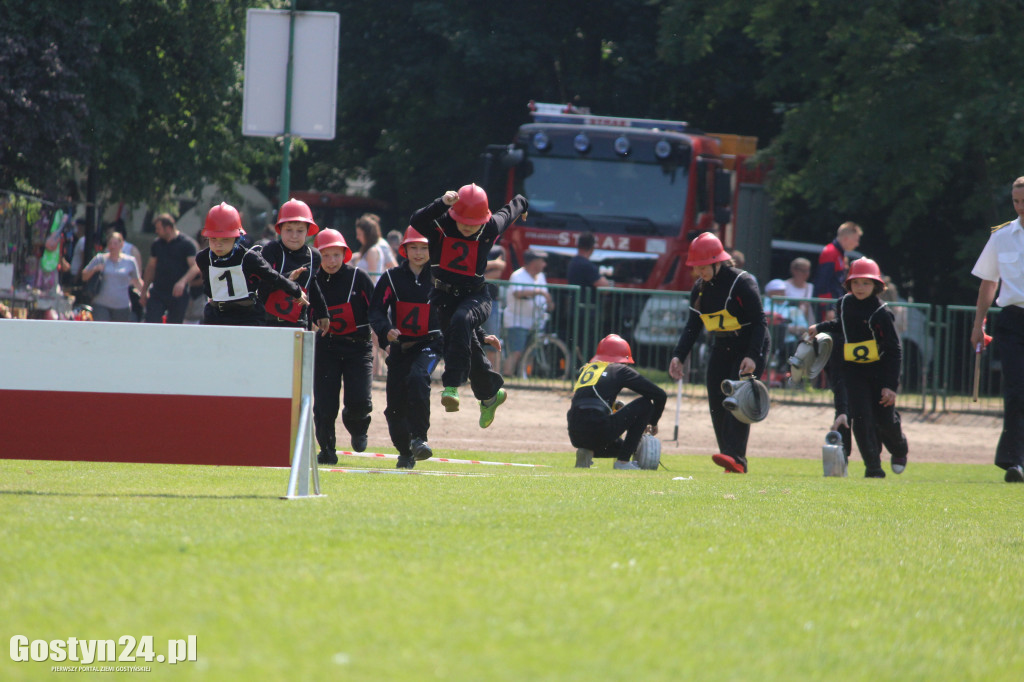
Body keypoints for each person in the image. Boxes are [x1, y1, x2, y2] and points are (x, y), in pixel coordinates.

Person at [409, 183, 528, 428]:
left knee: (462, 320)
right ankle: (490, 396)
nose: (467, 227)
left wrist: (523, 205)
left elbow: (512, 208)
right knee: (468, 347)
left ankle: (451, 386)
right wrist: (441, 203)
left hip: (477, 296)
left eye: (473, 224)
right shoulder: (441, 224)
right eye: (463, 222)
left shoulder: (491, 226)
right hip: (443, 297)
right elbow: (416, 220)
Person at [668, 232, 769, 474]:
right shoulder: (700, 288)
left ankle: (735, 458)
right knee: (717, 400)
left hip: (749, 347)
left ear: (717, 261)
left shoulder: (743, 282)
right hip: (722, 346)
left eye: (703, 266)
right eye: (696, 267)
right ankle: (729, 458)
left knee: (737, 400)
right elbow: (693, 326)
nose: (699, 272)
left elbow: (760, 322)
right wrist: (678, 356)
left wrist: (753, 356)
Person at [809, 257, 908, 478]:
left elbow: (894, 350)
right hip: (854, 371)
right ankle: (873, 467)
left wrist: (891, 386)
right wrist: (820, 327)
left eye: (866, 283)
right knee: (861, 419)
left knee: (885, 421)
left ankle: (900, 448)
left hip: (880, 372)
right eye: (855, 282)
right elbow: (840, 325)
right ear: (848, 284)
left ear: (876, 285)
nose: (860, 287)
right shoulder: (844, 303)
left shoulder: (881, 312)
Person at [369, 227, 442, 469]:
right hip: (400, 349)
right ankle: (405, 451)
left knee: (418, 377)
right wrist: (385, 329)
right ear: (405, 250)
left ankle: (420, 438)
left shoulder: (440, 278)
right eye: (414, 247)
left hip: (430, 344)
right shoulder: (391, 278)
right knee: (394, 408)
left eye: (424, 247)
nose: (419, 253)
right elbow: (376, 310)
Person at [971, 176, 1024, 483]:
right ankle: (1014, 461)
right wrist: (979, 323)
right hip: (1013, 320)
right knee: (1016, 391)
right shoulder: (1002, 236)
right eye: (1016, 202)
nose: (1020, 207)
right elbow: (989, 281)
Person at [310, 228, 375, 463]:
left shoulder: (359, 277)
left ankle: (357, 427)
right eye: (325, 256)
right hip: (326, 348)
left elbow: (377, 310)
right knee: (324, 405)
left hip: (358, 349)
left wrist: (386, 334)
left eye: (336, 255)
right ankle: (327, 450)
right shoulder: (312, 280)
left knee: (359, 401)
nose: (331, 261)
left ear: (345, 254)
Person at [191, 203, 308, 326]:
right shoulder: (203, 258)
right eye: (213, 239)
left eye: (225, 239)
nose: (218, 244)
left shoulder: (249, 258)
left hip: (247, 316)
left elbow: (272, 276)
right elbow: (208, 289)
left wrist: (296, 291)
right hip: (215, 315)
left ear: (236, 238)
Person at [568, 334, 666, 470]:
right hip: (598, 430)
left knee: (623, 446)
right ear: (623, 358)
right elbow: (660, 395)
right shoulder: (620, 370)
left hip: (575, 435)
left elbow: (589, 402)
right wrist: (653, 422)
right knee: (646, 405)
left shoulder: (588, 369)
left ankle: (587, 450)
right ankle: (623, 462)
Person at [258, 198, 328, 330]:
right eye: (289, 230)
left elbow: (312, 285)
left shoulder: (314, 256)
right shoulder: (271, 250)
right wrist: (288, 278)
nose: (294, 235)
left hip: (299, 323)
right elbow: (262, 287)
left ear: (308, 231)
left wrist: (322, 313)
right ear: (280, 229)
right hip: (268, 323)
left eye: (300, 231)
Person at [140, 213, 198, 324]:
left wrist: (183, 282)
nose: (156, 232)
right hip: (158, 291)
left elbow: (195, 267)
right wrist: (144, 290)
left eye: (159, 229)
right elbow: (151, 267)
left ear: (169, 228)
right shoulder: (157, 244)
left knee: (174, 325)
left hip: (178, 293)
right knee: (151, 321)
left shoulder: (187, 244)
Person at [503, 249, 554, 376]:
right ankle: (507, 375)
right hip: (517, 320)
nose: (544, 264)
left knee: (531, 352)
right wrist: (539, 292)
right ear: (534, 262)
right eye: (542, 261)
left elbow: (546, 294)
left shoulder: (541, 277)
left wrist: (549, 303)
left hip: (536, 321)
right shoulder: (518, 275)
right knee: (516, 352)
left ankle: (525, 377)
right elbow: (517, 293)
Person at [80, 231, 144, 322]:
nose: (112, 246)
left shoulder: (130, 261)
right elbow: (84, 276)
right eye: (110, 243)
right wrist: (95, 269)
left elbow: (137, 281)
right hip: (101, 304)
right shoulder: (100, 259)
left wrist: (144, 294)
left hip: (122, 305)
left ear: (121, 244)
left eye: (115, 243)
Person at [763, 278, 809, 373]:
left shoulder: (792, 309)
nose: (780, 294)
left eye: (782, 292)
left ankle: (788, 377)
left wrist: (790, 328)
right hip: (767, 342)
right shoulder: (763, 306)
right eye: (777, 292)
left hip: (788, 344)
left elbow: (804, 328)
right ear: (769, 293)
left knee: (796, 348)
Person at [814, 221, 862, 303]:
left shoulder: (839, 254)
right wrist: (827, 307)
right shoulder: (831, 252)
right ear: (846, 239)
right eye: (855, 240)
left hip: (835, 303)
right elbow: (823, 281)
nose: (857, 244)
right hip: (828, 306)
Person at [482, 244, 507, 371]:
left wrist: (473, 276)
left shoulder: (498, 249)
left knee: (493, 343)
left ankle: (493, 375)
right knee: (468, 340)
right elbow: (467, 266)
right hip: (471, 299)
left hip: (492, 302)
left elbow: (499, 270)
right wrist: (493, 263)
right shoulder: (473, 244)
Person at [354, 213, 397, 283]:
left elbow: (373, 278)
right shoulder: (369, 250)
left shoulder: (373, 250)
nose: (357, 237)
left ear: (367, 234)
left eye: (359, 234)